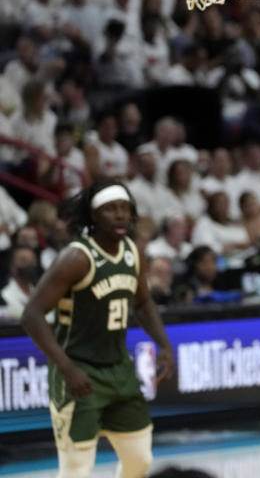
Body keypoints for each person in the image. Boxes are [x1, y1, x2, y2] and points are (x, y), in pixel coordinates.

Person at [20, 180, 174, 478]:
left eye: (125, 209)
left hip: (119, 370)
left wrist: (164, 345)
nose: (120, 215)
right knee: (77, 469)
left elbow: (142, 304)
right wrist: (66, 367)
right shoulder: (77, 257)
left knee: (140, 460)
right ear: (93, 216)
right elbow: (32, 315)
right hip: (79, 370)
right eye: (110, 209)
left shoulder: (132, 252)